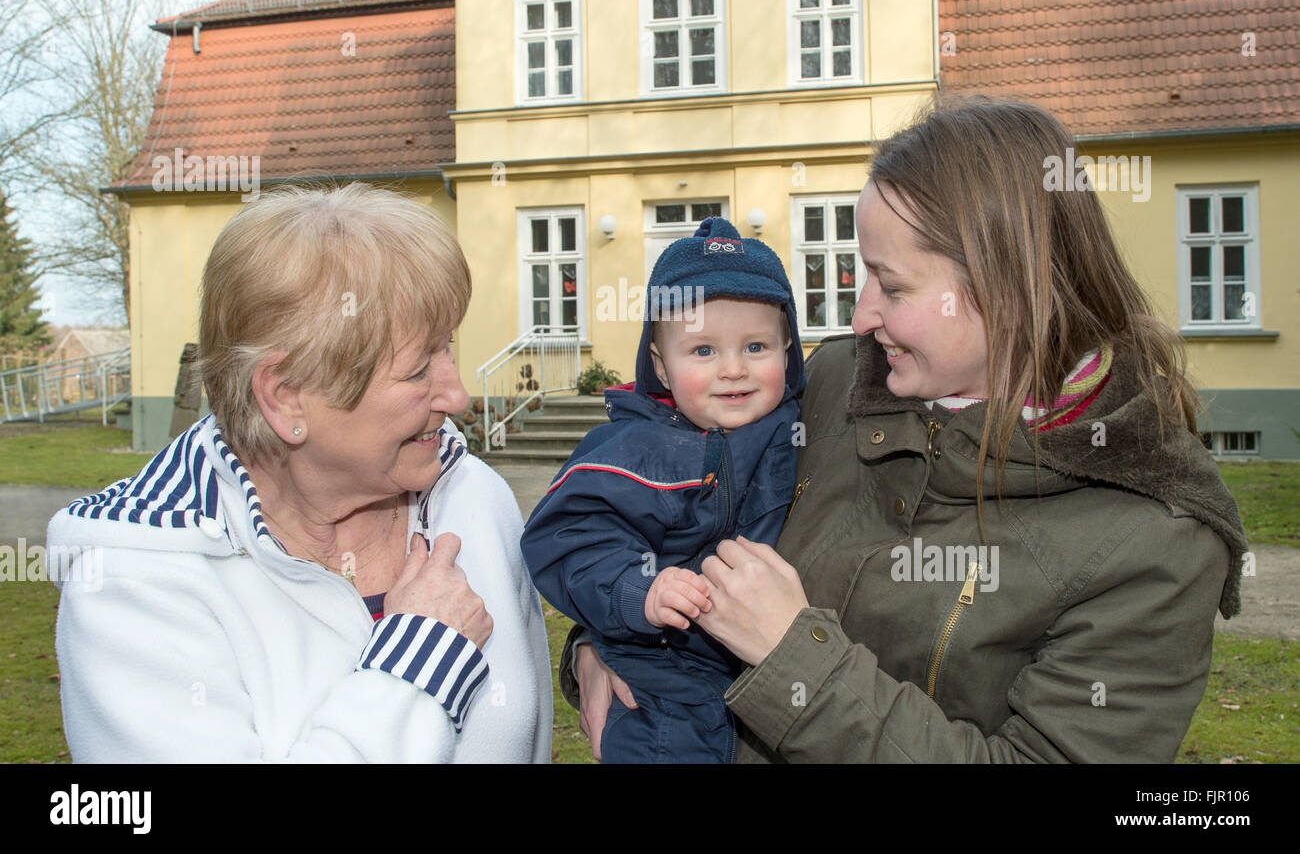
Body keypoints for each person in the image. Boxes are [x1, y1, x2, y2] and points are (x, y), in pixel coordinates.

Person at [565, 96, 1249, 763]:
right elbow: (667, 519)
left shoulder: (1158, 539)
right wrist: (600, 641)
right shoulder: (830, 383)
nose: (861, 315)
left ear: (1003, 288)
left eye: (891, 287)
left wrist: (795, 657)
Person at [48, 182, 553, 762]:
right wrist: (422, 661)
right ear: (285, 397)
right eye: (418, 370)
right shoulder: (135, 584)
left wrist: (596, 651)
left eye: (449, 347)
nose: (458, 394)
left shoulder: (471, 494)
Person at [522, 217, 805, 762]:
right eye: (703, 351)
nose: (733, 369)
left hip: (769, 670)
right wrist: (638, 590)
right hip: (661, 676)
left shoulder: (802, 430)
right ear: (662, 367)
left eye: (755, 346)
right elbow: (567, 537)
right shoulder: (631, 450)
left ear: (788, 350)